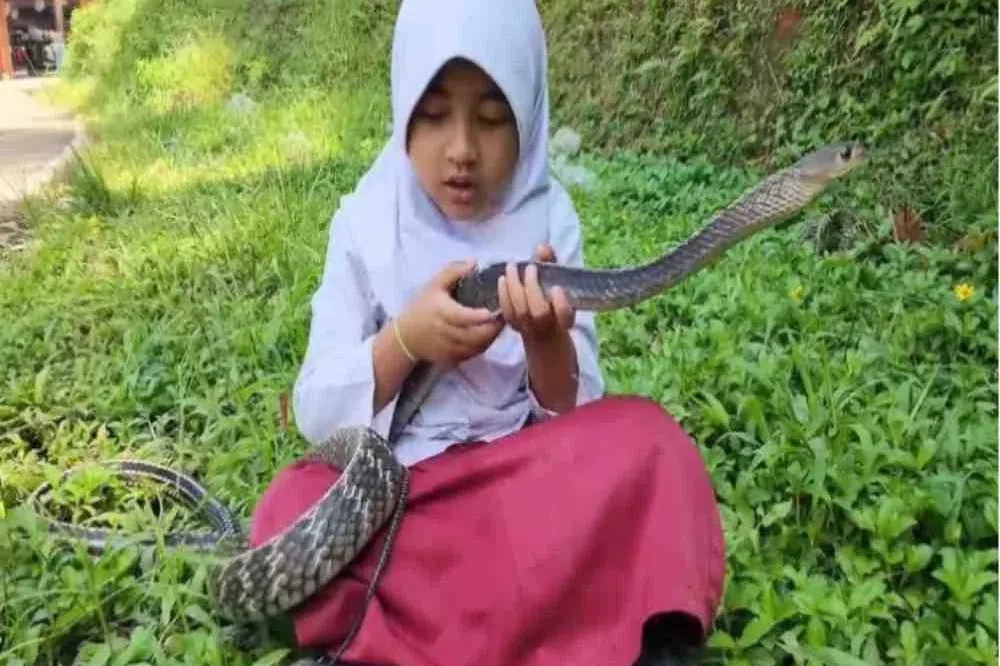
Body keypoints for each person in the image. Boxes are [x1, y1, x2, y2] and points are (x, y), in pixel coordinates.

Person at [248, 1, 726, 665]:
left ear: (528, 114)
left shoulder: (550, 220)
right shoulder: (364, 224)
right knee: (291, 505)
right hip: (407, 497)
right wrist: (405, 342)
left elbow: (574, 415)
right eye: (434, 114)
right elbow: (318, 411)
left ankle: (408, 637)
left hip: (524, 485)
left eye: (494, 118)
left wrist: (546, 343)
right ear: (402, 108)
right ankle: (569, 622)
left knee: (652, 446)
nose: (462, 150)